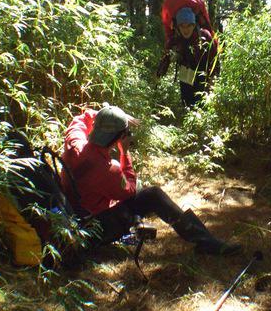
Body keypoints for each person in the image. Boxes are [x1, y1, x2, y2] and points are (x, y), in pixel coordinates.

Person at [60, 105, 241, 256]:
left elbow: (82, 118)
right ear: (119, 137)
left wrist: (111, 117)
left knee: (141, 190)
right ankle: (205, 241)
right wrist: (125, 152)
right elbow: (130, 190)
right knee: (152, 195)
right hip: (94, 229)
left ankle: (145, 226)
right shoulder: (108, 169)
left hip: (74, 215)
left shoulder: (75, 142)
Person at [156, 0, 219, 107]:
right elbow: (165, 58)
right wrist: (158, 75)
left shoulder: (205, 35)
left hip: (203, 73)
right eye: (182, 26)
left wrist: (213, 79)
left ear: (194, 24)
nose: (186, 30)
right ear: (177, 26)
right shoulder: (175, 39)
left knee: (203, 104)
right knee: (187, 103)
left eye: (189, 25)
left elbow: (214, 58)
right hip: (185, 74)